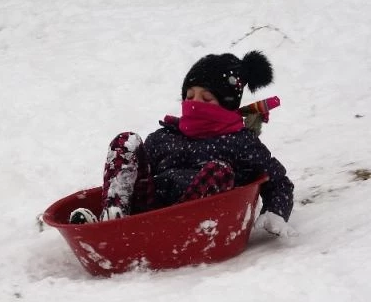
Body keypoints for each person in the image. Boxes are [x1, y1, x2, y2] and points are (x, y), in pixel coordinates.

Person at [69, 50, 295, 237]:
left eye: (206, 99)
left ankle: (168, 230)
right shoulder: (165, 137)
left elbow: (278, 181)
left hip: (191, 225)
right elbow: (138, 173)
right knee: (127, 141)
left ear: (226, 104)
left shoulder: (240, 143)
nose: (195, 104)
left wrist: (275, 210)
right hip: (147, 209)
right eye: (189, 96)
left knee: (219, 171)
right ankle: (113, 219)